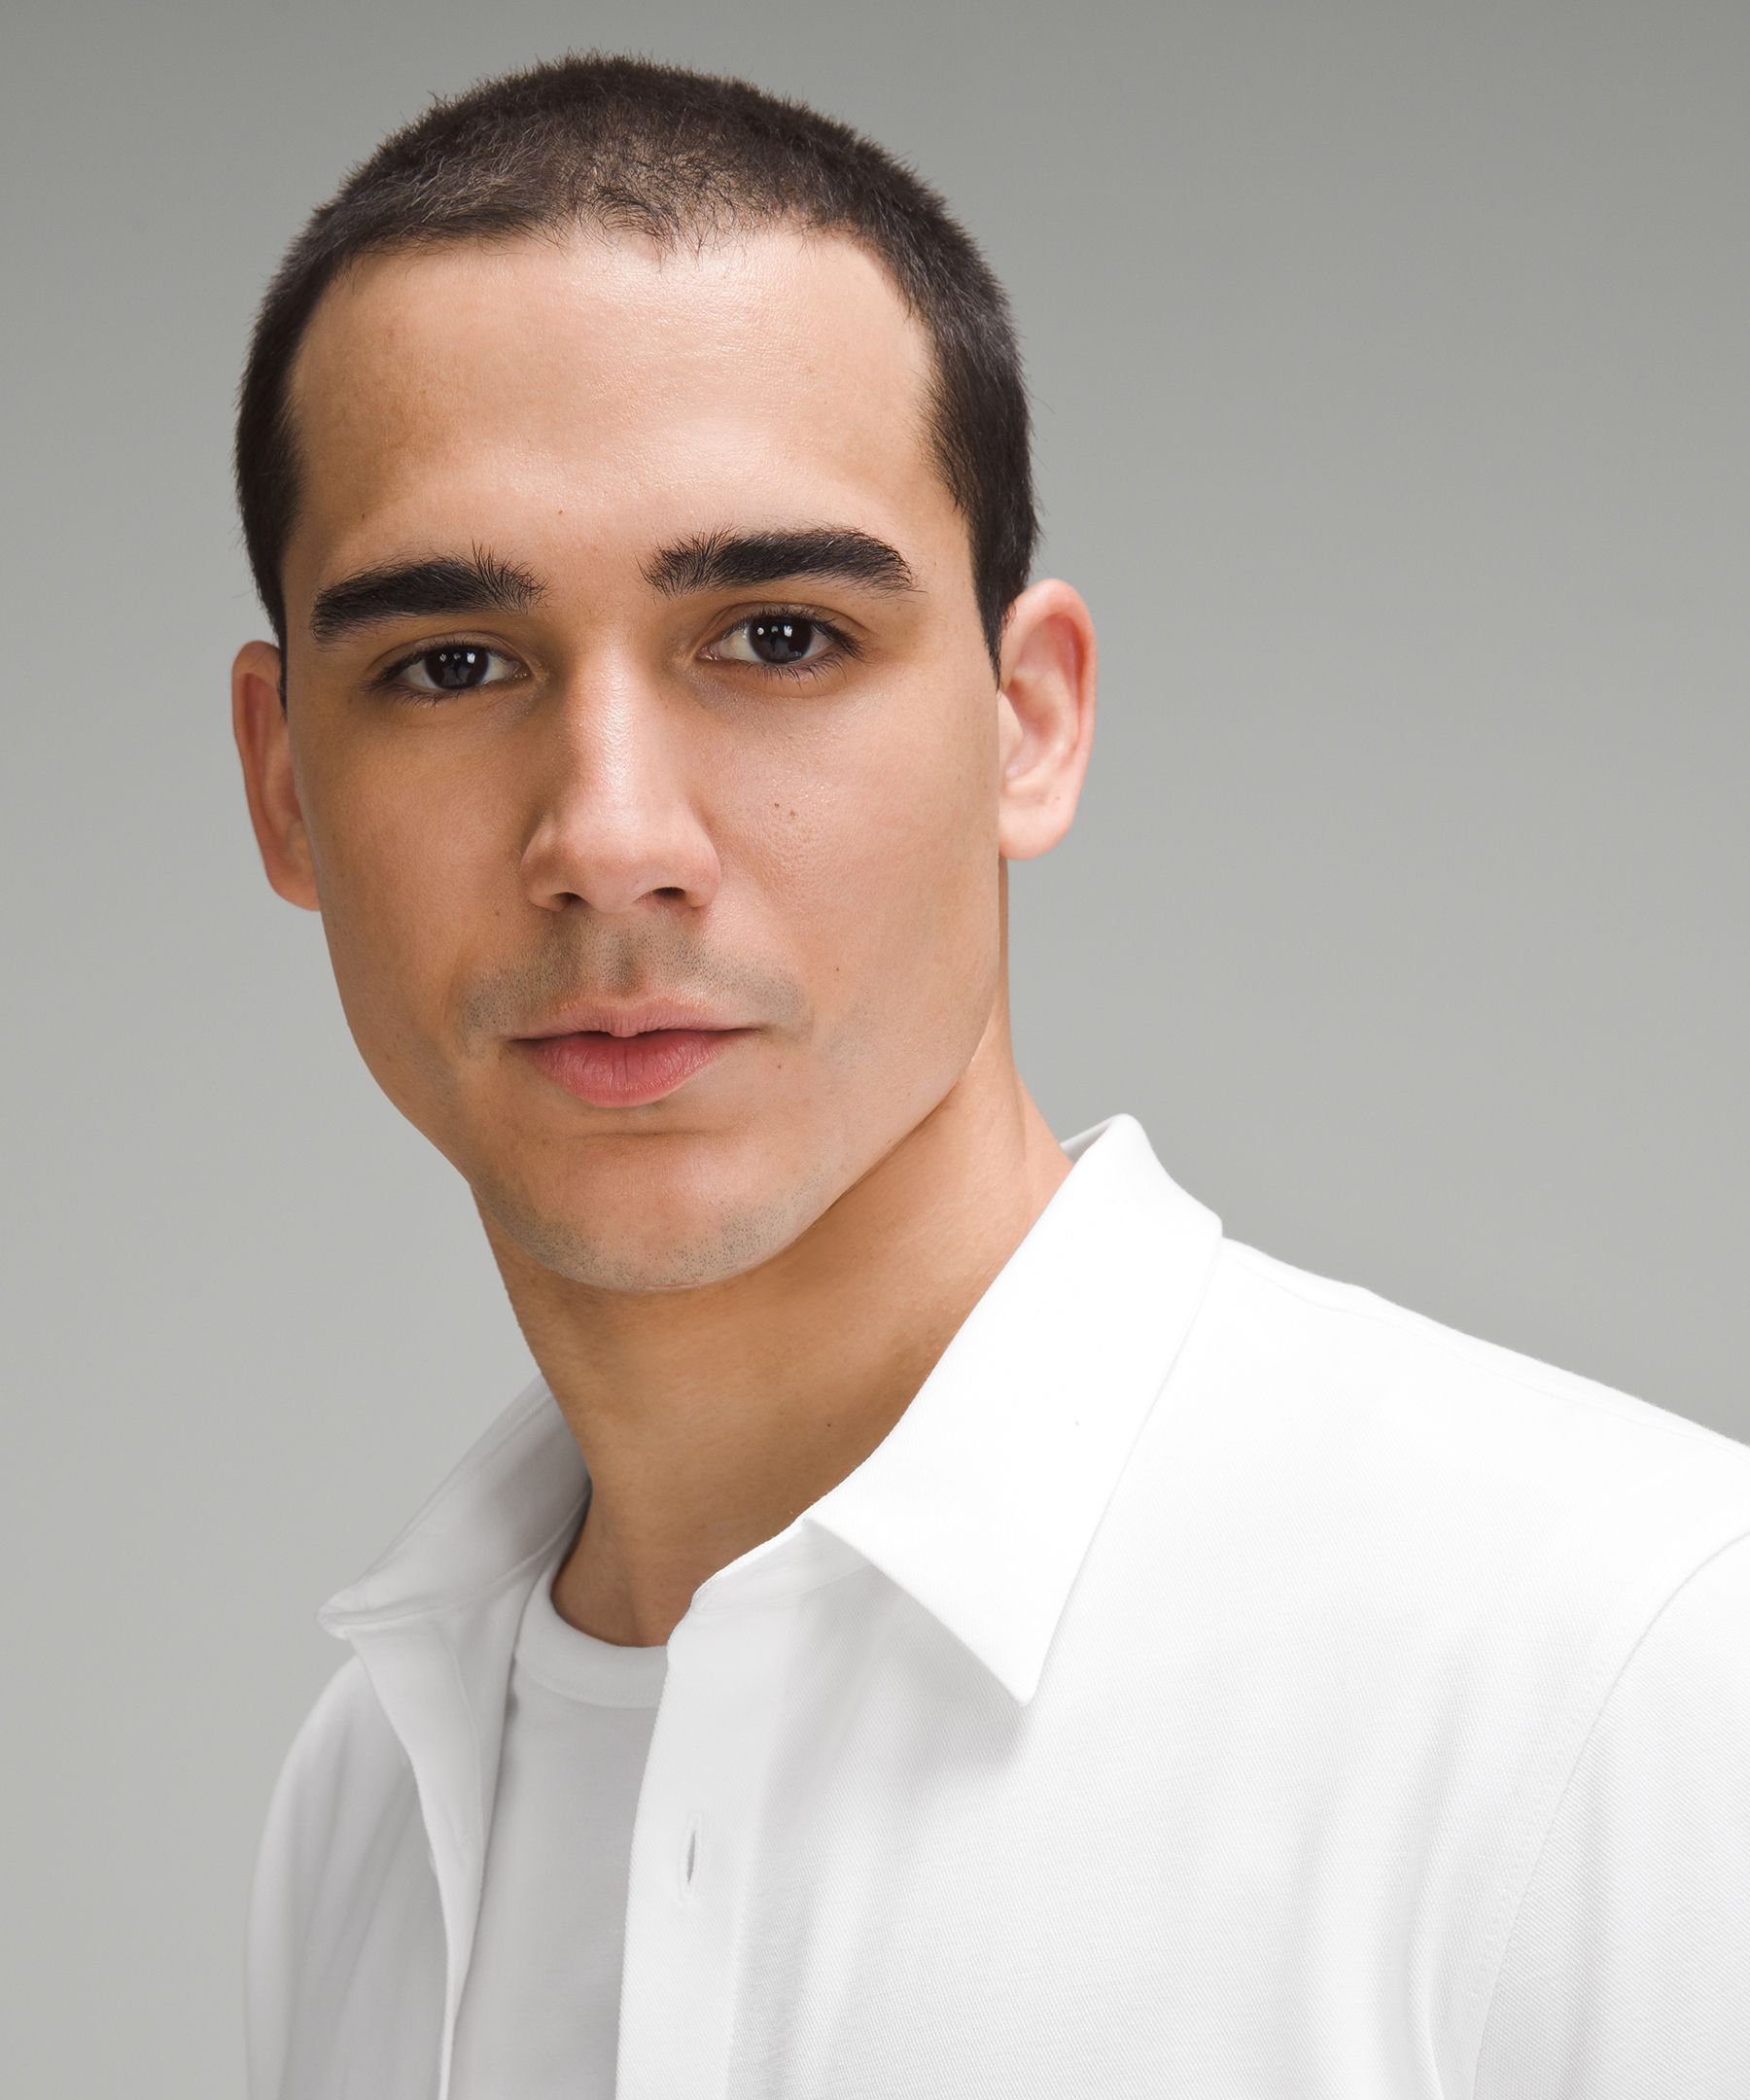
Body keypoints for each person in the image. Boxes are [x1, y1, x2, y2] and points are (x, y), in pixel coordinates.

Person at [229, 51, 1750, 2100]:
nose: (610, 837)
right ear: (284, 786)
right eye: (451, 664)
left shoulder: (1623, 1679)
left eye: (777, 637)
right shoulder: (370, 1802)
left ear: (1028, 721)